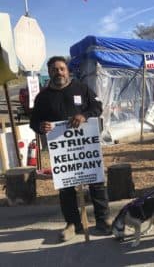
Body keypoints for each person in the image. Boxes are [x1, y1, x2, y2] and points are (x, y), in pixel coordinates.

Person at [30, 56, 112, 242]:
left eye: (61, 68)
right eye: (54, 69)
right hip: (62, 150)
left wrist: (84, 115)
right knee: (66, 186)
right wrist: (40, 126)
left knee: (96, 181)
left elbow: (97, 107)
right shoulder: (42, 97)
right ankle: (72, 224)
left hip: (86, 146)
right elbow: (34, 121)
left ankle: (103, 219)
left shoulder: (81, 88)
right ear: (49, 72)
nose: (58, 72)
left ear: (67, 71)